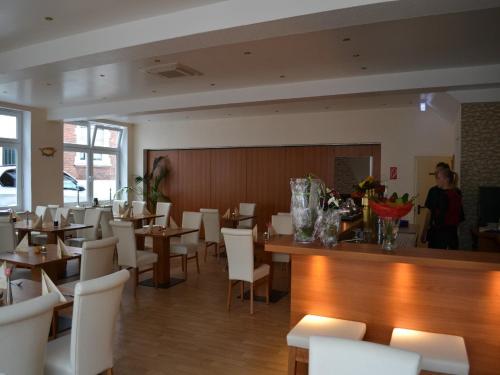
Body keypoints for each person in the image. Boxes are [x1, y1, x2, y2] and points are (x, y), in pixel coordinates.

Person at [421, 165, 465, 249]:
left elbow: (439, 218)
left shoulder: (445, 195)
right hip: (450, 235)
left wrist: (432, 227)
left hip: (441, 236)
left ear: (446, 179)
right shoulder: (455, 193)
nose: (436, 180)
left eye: (438, 178)